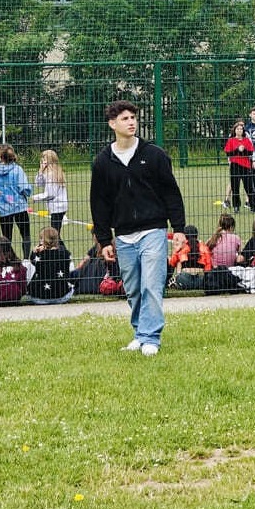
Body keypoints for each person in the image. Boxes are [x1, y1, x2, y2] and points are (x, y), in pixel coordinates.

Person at [90, 100, 187, 357]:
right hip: (123, 235)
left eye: (133, 117)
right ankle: (139, 333)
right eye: (124, 118)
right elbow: (98, 204)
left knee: (151, 285)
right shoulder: (102, 161)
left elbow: (171, 193)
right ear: (112, 124)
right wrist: (104, 240)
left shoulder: (154, 155)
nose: (131, 122)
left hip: (153, 230)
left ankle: (151, 337)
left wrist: (178, 228)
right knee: (132, 288)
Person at [0, 144, 33, 258]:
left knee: (7, 238)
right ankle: (26, 259)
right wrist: (26, 193)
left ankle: (8, 260)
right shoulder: (17, 169)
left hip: (3, 209)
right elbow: (25, 188)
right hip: (19, 207)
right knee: (26, 235)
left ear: (0, 156)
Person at [26, 226, 74, 305]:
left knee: (31, 269)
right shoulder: (65, 253)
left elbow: (32, 261)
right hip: (62, 296)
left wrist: (34, 252)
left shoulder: (38, 256)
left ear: (42, 241)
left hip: (38, 298)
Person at [32, 149, 70, 245]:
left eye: (44, 159)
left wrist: (36, 198)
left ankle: (65, 255)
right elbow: (38, 183)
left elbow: (50, 194)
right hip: (59, 206)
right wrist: (40, 170)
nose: (42, 161)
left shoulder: (51, 174)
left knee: (55, 235)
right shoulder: (49, 172)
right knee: (56, 234)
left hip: (57, 207)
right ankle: (63, 254)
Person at [224, 120, 255, 213]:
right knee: (235, 187)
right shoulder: (231, 140)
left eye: (241, 129)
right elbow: (228, 153)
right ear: (235, 130)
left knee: (249, 187)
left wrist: (243, 150)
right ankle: (236, 206)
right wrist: (237, 150)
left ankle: (253, 206)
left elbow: (250, 152)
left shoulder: (246, 140)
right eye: (238, 129)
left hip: (246, 166)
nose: (239, 131)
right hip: (235, 166)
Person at [168, 225, 211, 290]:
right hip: (201, 281)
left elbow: (172, 263)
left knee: (178, 261)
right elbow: (208, 267)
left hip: (184, 280)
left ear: (184, 236)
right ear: (196, 235)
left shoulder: (182, 247)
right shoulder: (204, 247)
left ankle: (174, 281)